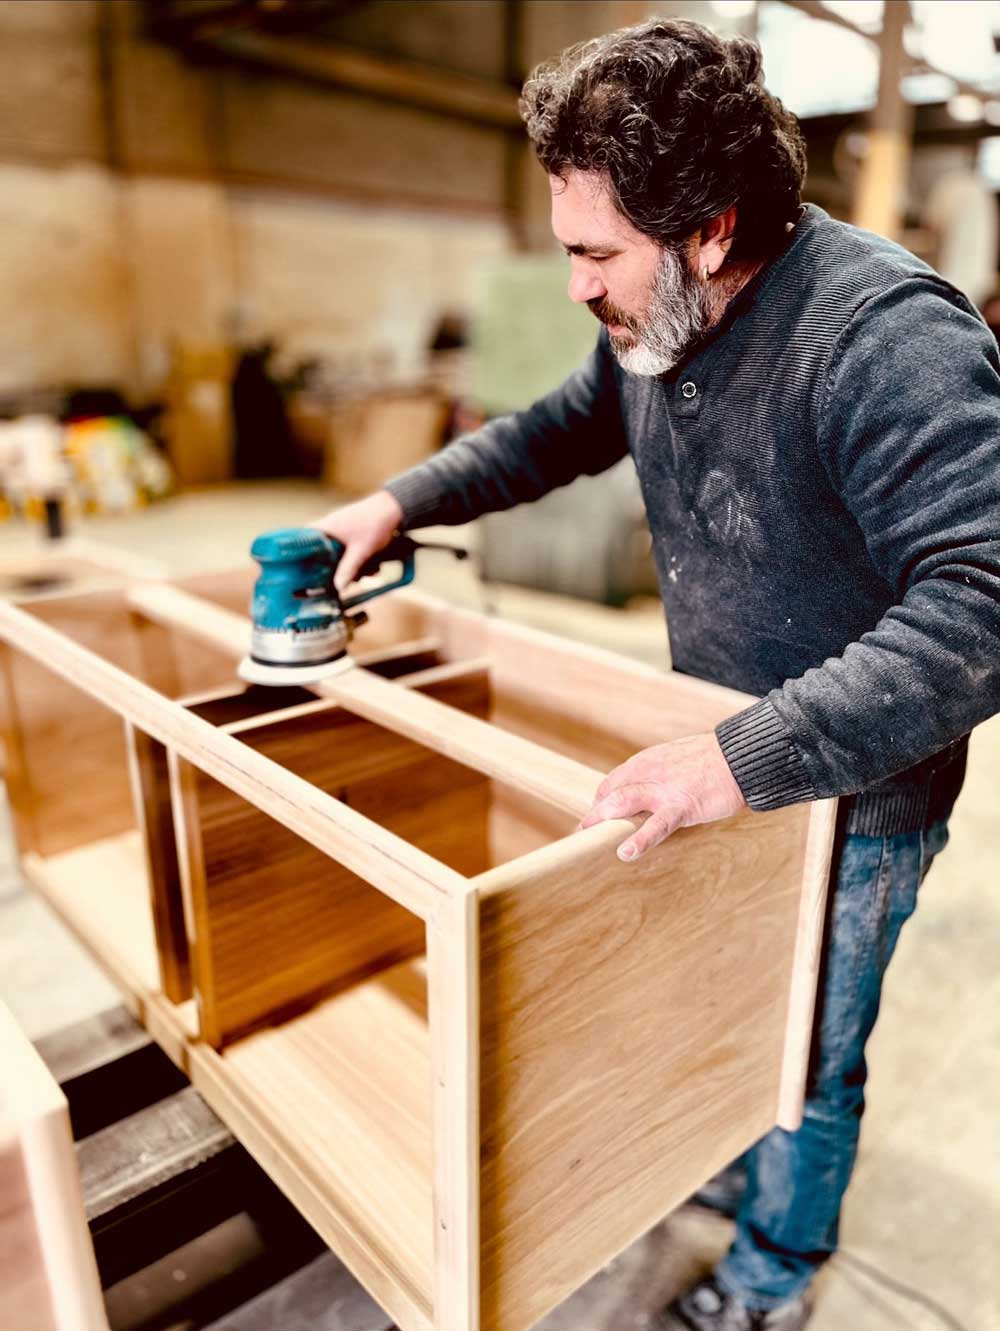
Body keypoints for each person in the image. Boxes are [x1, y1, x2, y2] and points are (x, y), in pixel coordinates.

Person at [314, 19, 1000, 1331]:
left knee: (807, 1056)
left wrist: (741, 760)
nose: (577, 284)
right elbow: (554, 432)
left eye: (596, 253)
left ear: (713, 230)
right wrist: (397, 503)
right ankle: (733, 1164)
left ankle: (772, 1276)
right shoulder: (657, 319)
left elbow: (984, 601)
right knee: (725, 1012)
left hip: (854, 795)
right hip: (718, 752)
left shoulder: (885, 340)